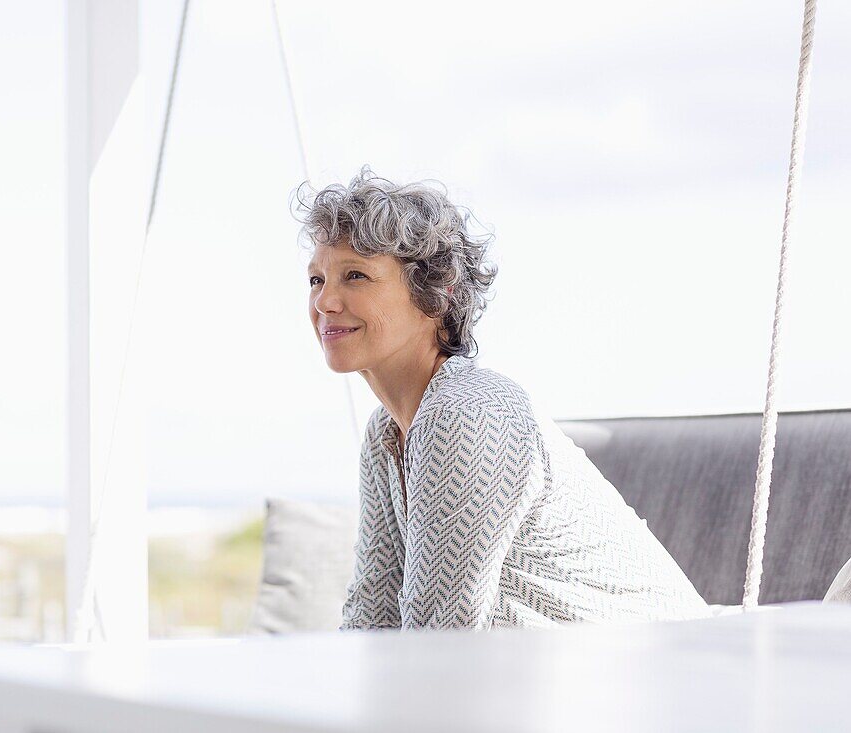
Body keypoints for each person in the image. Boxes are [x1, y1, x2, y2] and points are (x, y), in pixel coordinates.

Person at [295, 165, 711, 631]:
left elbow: (438, 640)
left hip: (662, 677)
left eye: (355, 276)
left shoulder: (467, 413)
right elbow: (371, 617)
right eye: (316, 280)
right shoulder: (385, 433)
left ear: (436, 296)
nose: (326, 302)